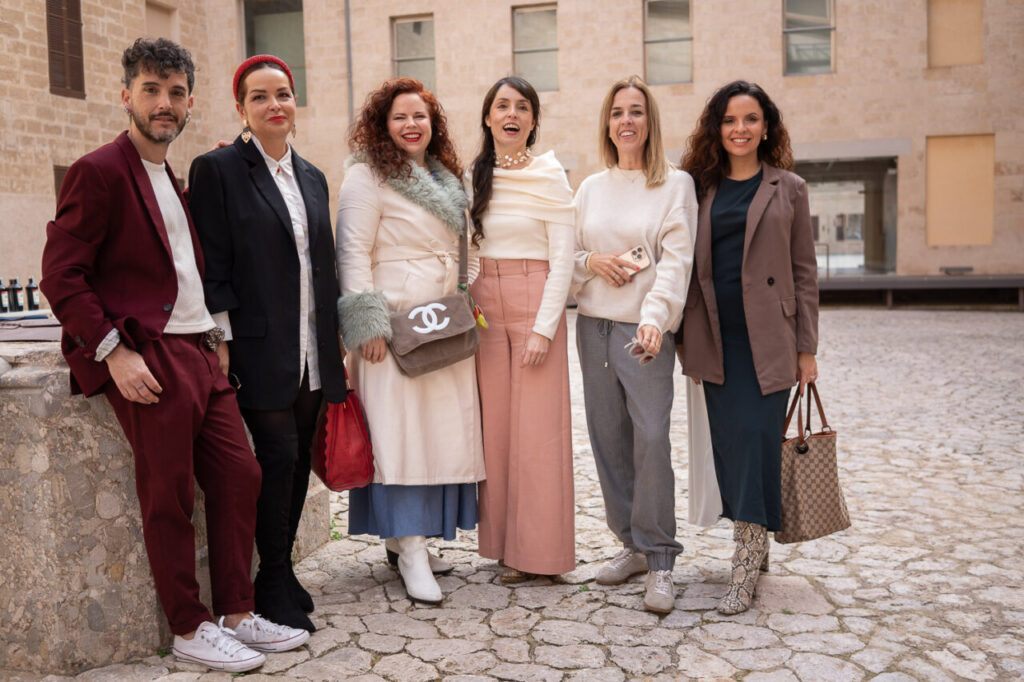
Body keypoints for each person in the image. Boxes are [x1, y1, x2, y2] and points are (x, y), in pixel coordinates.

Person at [39, 38, 309, 672]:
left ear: (191, 101)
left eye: (177, 92)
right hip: (146, 356)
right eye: (152, 90)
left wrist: (214, 339)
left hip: (198, 354)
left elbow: (185, 274)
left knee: (241, 475)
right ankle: (188, 627)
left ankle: (237, 615)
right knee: (168, 494)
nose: (165, 104)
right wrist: (112, 352)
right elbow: (61, 274)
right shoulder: (100, 170)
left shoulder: (174, 178)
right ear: (126, 95)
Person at [187, 55, 346, 632]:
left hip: (311, 344)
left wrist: (334, 339)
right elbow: (214, 263)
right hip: (256, 346)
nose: (274, 105)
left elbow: (321, 266)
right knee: (275, 458)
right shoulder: (219, 169)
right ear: (241, 109)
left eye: (283, 93)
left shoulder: (313, 177)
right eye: (260, 97)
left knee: (301, 458)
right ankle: (270, 581)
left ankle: (279, 571)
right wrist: (220, 339)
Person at [336, 78, 485, 605]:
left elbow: (465, 243)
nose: (411, 125)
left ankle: (412, 542)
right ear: (383, 125)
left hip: (442, 320)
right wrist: (365, 323)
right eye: (400, 117)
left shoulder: (446, 177)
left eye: (420, 116)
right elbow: (352, 251)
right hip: (393, 325)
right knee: (401, 437)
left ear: (433, 122)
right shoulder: (365, 176)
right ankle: (411, 548)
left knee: (440, 434)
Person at [679, 80, 819, 615]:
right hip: (717, 339)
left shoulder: (790, 188)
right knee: (730, 447)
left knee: (757, 444)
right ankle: (754, 540)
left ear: (767, 126)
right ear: (717, 129)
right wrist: (685, 342)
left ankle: (745, 560)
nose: (741, 129)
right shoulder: (698, 188)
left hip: (771, 341)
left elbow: (804, 274)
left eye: (751, 119)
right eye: (731, 120)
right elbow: (688, 269)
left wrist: (807, 348)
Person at [573, 76, 697, 613]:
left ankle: (661, 558)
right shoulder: (589, 189)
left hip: (643, 334)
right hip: (593, 327)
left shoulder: (675, 185)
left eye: (637, 112)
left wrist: (655, 318)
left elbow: (677, 262)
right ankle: (630, 545)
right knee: (609, 441)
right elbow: (569, 257)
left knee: (651, 440)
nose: (627, 120)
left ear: (651, 122)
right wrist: (589, 263)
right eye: (618, 111)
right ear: (607, 122)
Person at [466, 76, 575, 583]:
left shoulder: (550, 175)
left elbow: (561, 260)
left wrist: (545, 329)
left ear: (532, 121)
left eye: (523, 107)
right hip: (485, 309)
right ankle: (506, 549)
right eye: (502, 105)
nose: (512, 113)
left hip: (535, 303)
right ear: (488, 117)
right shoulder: (472, 176)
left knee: (538, 436)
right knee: (498, 435)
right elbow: (466, 244)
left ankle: (542, 556)